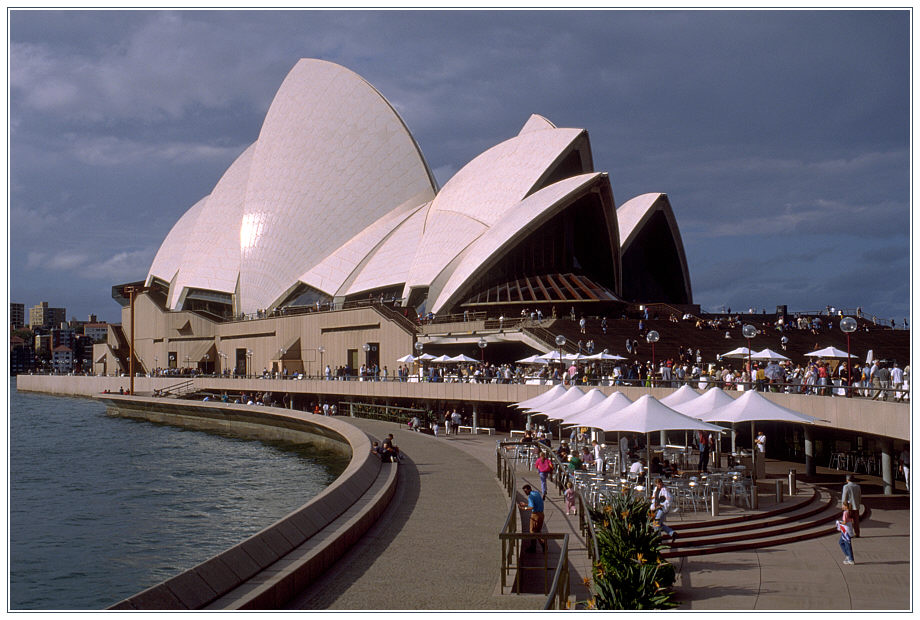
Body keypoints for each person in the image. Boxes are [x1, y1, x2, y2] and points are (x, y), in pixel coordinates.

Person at [518, 484, 546, 552]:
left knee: (532, 531)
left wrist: (523, 508)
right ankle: (543, 545)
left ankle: (534, 548)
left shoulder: (530, 497)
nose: (525, 493)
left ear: (529, 489)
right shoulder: (537, 493)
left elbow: (532, 507)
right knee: (538, 531)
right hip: (541, 514)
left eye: (526, 491)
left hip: (535, 515)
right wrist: (526, 504)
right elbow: (535, 503)